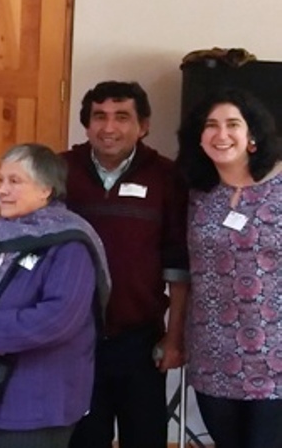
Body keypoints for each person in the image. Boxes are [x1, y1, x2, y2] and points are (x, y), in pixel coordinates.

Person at [0, 143, 109, 448]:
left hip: (37, 405)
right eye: (1, 180)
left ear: (46, 189)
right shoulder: (0, 233)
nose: (2, 190)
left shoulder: (70, 244)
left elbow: (58, 318)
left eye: (14, 181)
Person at [64, 81, 190, 448]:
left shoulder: (167, 177)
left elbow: (179, 267)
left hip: (140, 340)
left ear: (143, 125)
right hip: (73, 339)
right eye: (99, 117)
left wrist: (174, 336)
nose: (109, 127)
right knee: (84, 440)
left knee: (145, 438)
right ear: (86, 125)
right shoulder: (59, 170)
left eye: (122, 117)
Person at [176, 88, 282, 448]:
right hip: (213, 354)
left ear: (252, 135)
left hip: (276, 357)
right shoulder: (196, 193)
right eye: (211, 126)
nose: (221, 135)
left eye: (232, 124)